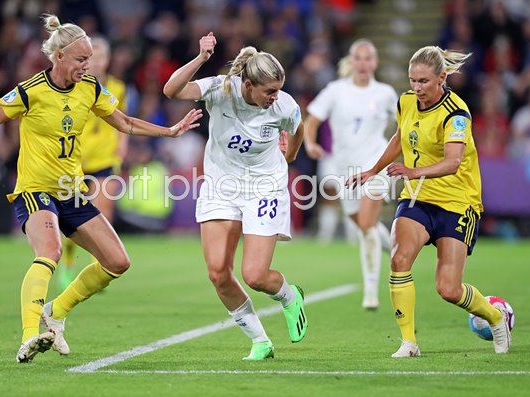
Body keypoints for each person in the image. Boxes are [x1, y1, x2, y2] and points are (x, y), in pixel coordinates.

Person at [0, 14, 202, 363]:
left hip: (71, 191)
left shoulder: (91, 88)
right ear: (60, 56)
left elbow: (123, 122)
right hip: (35, 189)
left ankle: (56, 311)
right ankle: (29, 335)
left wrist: (169, 131)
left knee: (118, 261)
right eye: (82, 59)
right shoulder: (30, 90)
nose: (87, 64)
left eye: (89, 58)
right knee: (48, 252)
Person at [348, 46, 511, 357]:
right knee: (398, 259)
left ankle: (495, 316)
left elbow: (453, 162)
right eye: (412, 81)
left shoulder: (456, 113)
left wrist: (412, 170)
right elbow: (400, 137)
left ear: (442, 77)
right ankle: (408, 342)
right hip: (418, 197)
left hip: (457, 200)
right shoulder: (406, 102)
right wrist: (373, 169)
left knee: (448, 289)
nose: (417, 88)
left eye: (423, 81)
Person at [163, 32, 307, 361]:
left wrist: (290, 155)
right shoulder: (220, 89)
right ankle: (260, 341)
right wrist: (200, 58)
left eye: (279, 89)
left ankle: (289, 296)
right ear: (248, 85)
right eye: (269, 91)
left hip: (264, 186)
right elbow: (171, 90)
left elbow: (298, 128)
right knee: (217, 272)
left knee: (255, 275)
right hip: (221, 185)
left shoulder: (284, 105)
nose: (276, 96)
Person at [304, 39, 397, 310]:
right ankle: (394, 248)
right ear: (351, 61)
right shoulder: (336, 91)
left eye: (369, 58)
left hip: (376, 166)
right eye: (359, 58)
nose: (364, 63)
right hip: (346, 170)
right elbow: (313, 119)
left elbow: (405, 123)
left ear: (375, 63)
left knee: (366, 224)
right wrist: (310, 143)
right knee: (362, 224)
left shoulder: (385, 93)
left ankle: (371, 292)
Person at [60, 36, 129, 290]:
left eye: (101, 57)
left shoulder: (118, 88)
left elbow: (123, 120)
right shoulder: (75, 87)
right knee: (73, 216)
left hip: (105, 158)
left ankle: (99, 268)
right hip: (77, 159)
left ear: (108, 59)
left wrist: (122, 146)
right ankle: (67, 261)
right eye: (92, 57)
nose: (97, 62)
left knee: (103, 210)